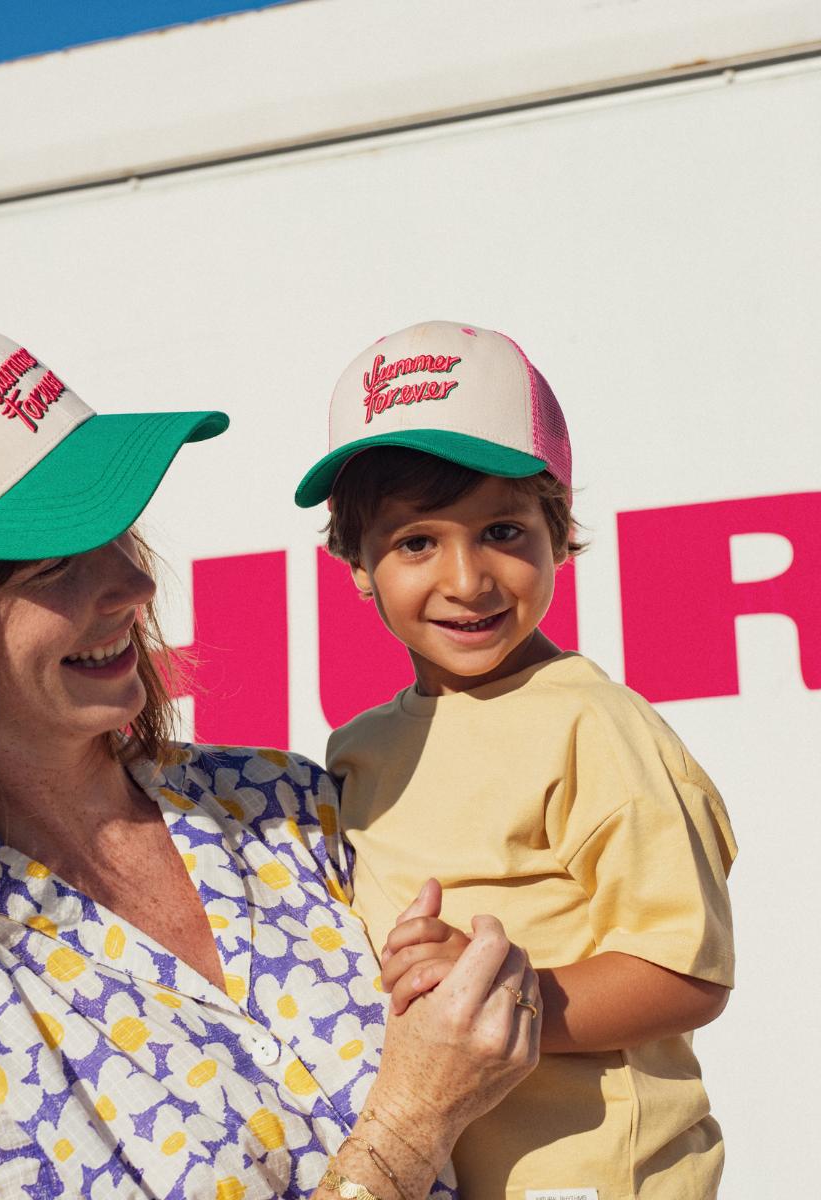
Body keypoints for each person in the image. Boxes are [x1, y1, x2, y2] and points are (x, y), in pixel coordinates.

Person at [0, 319, 541, 1200]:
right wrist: (409, 1126)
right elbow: (418, 1105)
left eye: (119, 527)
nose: (134, 583)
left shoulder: (283, 803)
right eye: (53, 563)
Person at [293, 320, 738, 1199]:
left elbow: (687, 973)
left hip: (597, 1175)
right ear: (353, 563)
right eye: (417, 541)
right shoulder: (361, 748)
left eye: (502, 529)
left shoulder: (596, 727)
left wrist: (508, 988)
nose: (468, 578)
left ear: (557, 528)